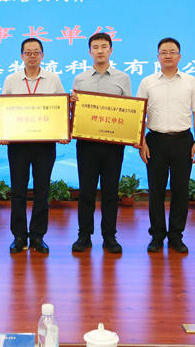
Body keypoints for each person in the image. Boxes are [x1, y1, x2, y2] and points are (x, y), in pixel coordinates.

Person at [136, 37, 195, 253]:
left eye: (172, 52)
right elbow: (138, 114)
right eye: (164, 52)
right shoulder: (147, 82)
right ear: (158, 57)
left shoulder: (191, 81)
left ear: (179, 56)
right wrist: (141, 142)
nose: (168, 55)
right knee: (155, 190)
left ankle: (176, 236)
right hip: (155, 141)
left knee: (180, 191)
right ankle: (157, 235)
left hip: (183, 141)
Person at [0, 38, 69, 255]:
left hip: (44, 144)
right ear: (21, 56)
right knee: (18, 191)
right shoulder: (11, 79)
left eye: (36, 52)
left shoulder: (53, 79)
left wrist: (62, 132)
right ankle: (19, 235)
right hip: (18, 144)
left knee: (42, 190)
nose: (32, 56)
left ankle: (38, 236)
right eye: (28, 52)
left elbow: (62, 108)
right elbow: (4, 109)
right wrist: (3, 132)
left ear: (42, 55)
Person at [70, 32, 132, 254]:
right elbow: (75, 113)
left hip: (113, 145)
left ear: (111, 50)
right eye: (95, 47)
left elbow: (129, 111)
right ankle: (84, 235)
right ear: (90, 52)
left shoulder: (123, 78)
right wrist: (71, 104)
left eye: (104, 46)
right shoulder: (80, 79)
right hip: (87, 144)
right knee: (86, 191)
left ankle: (109, 236)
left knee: (110, 191)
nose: (100, 51)